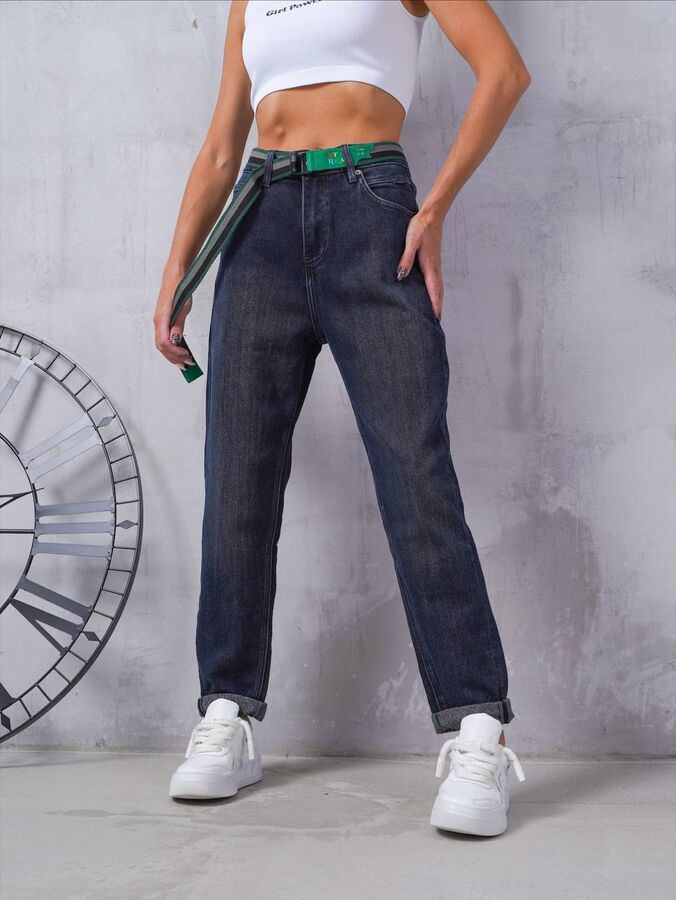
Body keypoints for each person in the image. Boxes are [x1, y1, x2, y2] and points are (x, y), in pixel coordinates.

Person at [154, 0, 530, 837]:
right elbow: (222, 146)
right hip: (257, 221)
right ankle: (226, 713)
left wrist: (434, 208)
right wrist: (178, 271)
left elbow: (504, 71)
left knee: (415, 476)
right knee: (238, 481)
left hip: (371, 209)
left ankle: (478, 727)